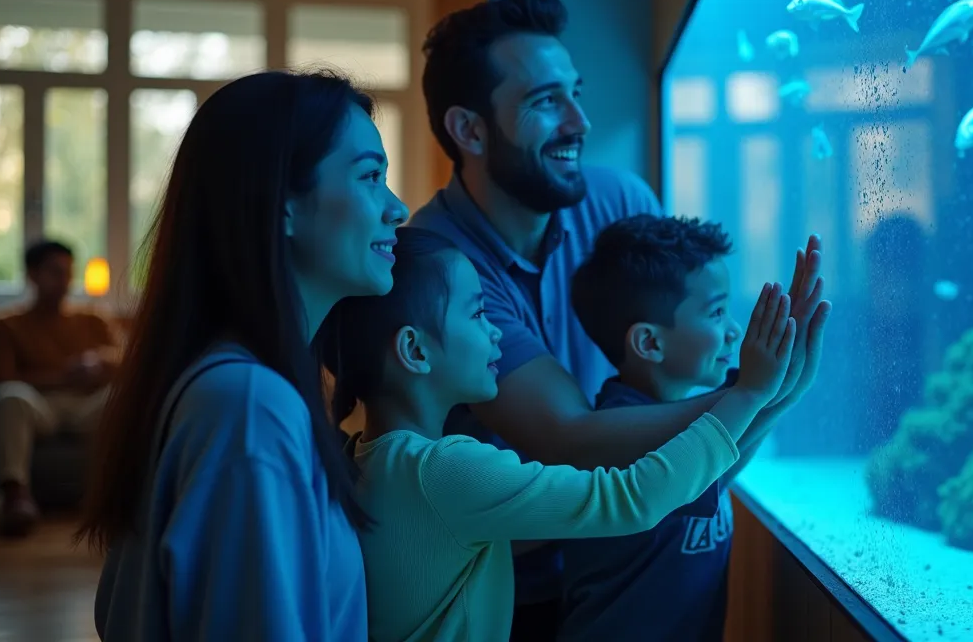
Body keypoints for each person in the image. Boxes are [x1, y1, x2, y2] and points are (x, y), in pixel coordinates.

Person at [410, 0, 829, 636]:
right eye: (545, 101)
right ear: (469, 130)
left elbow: (683, 356)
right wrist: (755, 390)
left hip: (639, 543)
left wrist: (775, 386)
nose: (579, 120)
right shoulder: (438, 261)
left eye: (575, 92)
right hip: (499, 591)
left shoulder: (619, 200)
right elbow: (564, 437)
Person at [317, 227, 796, 641]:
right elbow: (632, 497)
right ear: (416, 351)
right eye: (478, 313)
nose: (497, 333)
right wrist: (750, 392)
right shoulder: (442, 470)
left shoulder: (370, 461)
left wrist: (776, 390)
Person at [73, 69, 409, 640]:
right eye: (370, 176)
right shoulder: (249, 405)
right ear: (282, 202)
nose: (396, 208)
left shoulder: (239, 389)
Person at [560, 214, 829, 641]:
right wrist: (765, 388)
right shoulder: (621, 451)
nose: (733, 330)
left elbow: (727, 458)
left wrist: (786, 380)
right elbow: (719, 444)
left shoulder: (698, 426)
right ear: (650, 342)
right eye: (716, 312)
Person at [0, 239, 120, 537]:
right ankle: (16, 496)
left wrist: (98, 361)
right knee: (11, 397)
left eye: (68, 272)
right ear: (32, 275)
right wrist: (66, 375)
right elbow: (3, 379)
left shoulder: (94, 320)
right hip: (40, 408)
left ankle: (125, 491)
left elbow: (127, 360)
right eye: (55, 272)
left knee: (123, 396)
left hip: (86, 408)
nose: (64, 281)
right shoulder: (5, 325)